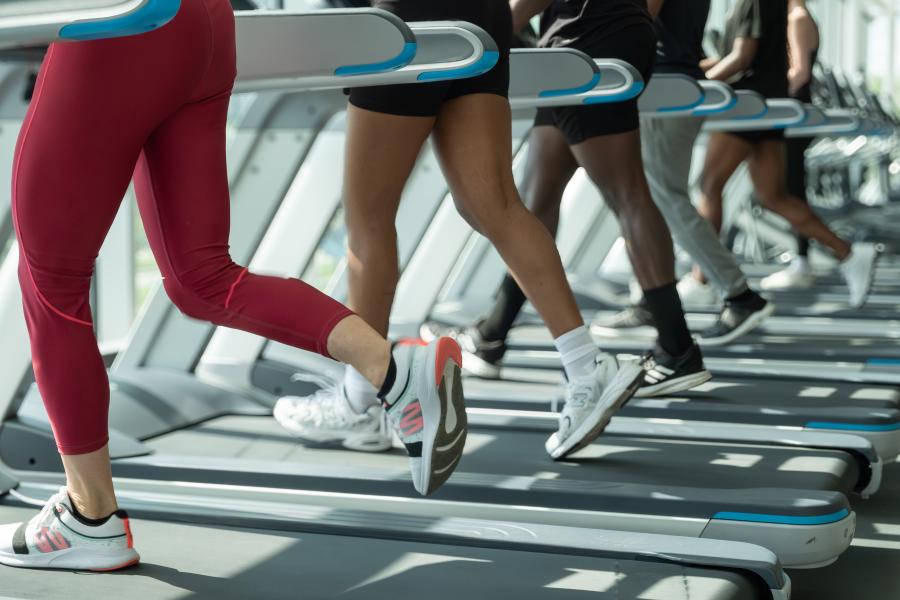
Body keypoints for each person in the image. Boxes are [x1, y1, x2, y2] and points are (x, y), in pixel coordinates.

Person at [0, 0, 468, 572]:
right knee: (203, 277)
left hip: (119, 21)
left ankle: (89, 515)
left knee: (51, 281)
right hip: (204, 26)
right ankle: (394, 367)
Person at [274, 0, 643, 462]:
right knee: (494, 206)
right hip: (480, 16)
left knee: (368, 216)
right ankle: (587, 365)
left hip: (405, 22)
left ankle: (360, 399)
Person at [419, 0, 712, 397]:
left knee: (628, 194)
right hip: (586, 43)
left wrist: (492, 28)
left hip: (583, 45)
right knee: (537, 199)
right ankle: (491, 337)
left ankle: (677, 348)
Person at [597, 0, 774, 347]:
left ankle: (739, 295)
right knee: (646, 197)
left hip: (664, 88)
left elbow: (634, 20)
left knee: (664, 196)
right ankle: (650, 296)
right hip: (666, 84)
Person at [697, 0, 877, 307]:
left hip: (746, 107)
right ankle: (848, 252)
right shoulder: (778, 10)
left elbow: (785, 68)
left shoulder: (784, 13)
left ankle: (703, 279)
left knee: (710, 186)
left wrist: (702, 86)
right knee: (774, 197)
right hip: (768, 109)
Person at [760, 0, 821, 291]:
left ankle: (802, 261)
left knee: (790, 190)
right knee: (791, 189)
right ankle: (801, 259)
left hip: (793, 116)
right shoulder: (802, 16)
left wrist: (768, 89)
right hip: (796, 115)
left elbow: (799, 72)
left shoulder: (796, 18)